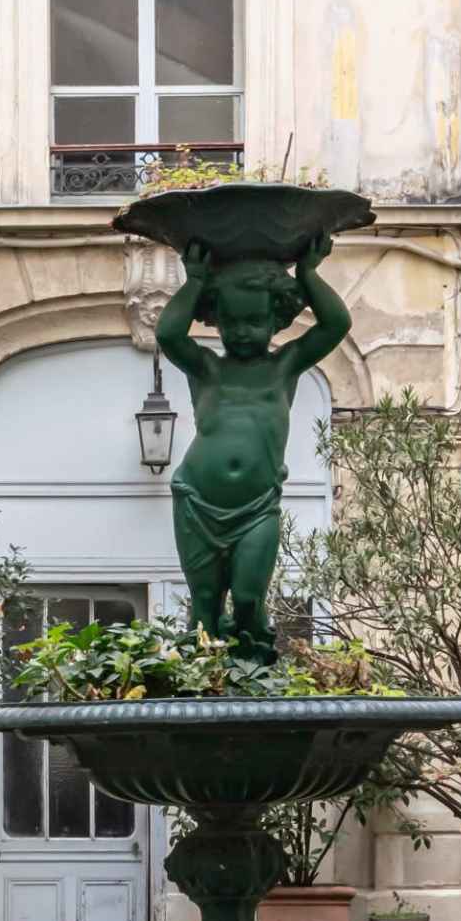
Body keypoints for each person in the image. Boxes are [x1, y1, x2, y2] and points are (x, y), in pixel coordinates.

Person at [153, 233, 349, 658]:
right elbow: (168, 335)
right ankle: (202, 681)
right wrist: (194, 281)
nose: (243, 332)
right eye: (233, 323)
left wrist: (309, 274)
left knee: (247, 597)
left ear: (276, 321)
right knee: (205, 604)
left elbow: (336, 325)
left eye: (254, 323)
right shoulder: (205, 367)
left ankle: (252, 666)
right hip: (197, 500)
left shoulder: (284, 366)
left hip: (257, 506)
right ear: (217, 321)